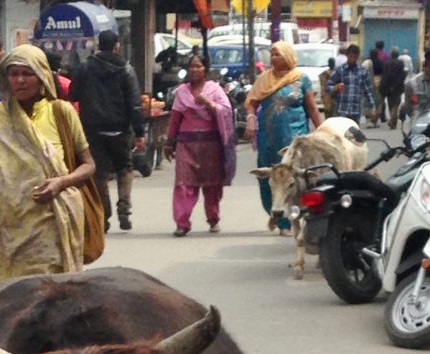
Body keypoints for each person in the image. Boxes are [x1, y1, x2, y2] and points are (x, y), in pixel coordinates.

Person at [0, 44, 95, 279]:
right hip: (14, 227)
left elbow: (89, 165)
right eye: (13, 73)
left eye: (27, 73)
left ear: (41, 76)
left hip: (53, 221)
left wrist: (61, 183)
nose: (20, 80)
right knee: (17, 295)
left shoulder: (61, 112)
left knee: (50, 291)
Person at [68, 29, 145, 232]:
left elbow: (73, 94)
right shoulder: (126, 70)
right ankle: (124, 208)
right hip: (120, 128)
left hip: (93, 129)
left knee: (99, 173)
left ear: (97, 45)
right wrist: (139, 131)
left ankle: (104, 214)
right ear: (117, 46)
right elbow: (135, 103)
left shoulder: (84, 69)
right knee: (125, 169)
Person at [244, 41, 322, 233]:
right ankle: (280, 220)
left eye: (277, 54)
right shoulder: (264, 79)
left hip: (295, 140)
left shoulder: (301, 79)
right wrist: (251, 119)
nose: (273, 58)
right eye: (272, 54)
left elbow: (311, 108)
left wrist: (322, 131)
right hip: (268, 137)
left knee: (296, 179)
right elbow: (252, 102)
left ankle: (300, 216)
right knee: (269, 178)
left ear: (288, 56)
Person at [162, 54, 235, 236]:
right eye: (191, 67)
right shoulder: (182, 92)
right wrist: (169, 143)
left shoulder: (215, 90)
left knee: (212, 185)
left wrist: (209, 103)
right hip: (186, 144)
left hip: (210, 145)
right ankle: (182, 223)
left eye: (198, 66)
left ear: (205, 69)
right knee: (183, 183)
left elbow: (226, 112)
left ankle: (213, 218)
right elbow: (175, 120)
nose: (194, 70)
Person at [326, 44, 377, 126]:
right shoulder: (340, 70)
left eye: (355, 57)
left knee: (354, 137)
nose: (352, 59)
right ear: (346, 55)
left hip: (355, 112)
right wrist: (335, 88)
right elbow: (328, 86)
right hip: (341, 111)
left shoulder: (363, 72)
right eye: (350, 56)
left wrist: (373, 107)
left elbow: (368, 91)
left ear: (358, 57)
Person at [379, 47, 406, 129]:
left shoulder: (386, 63)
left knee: (390, 103)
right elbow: (401, 76)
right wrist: (395, 85)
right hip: (397, 87)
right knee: (396, 103)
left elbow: (384, 76)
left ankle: (393, 120)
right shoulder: (400, 63)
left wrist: (384, 86)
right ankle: (393, 120)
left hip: (387, 87)